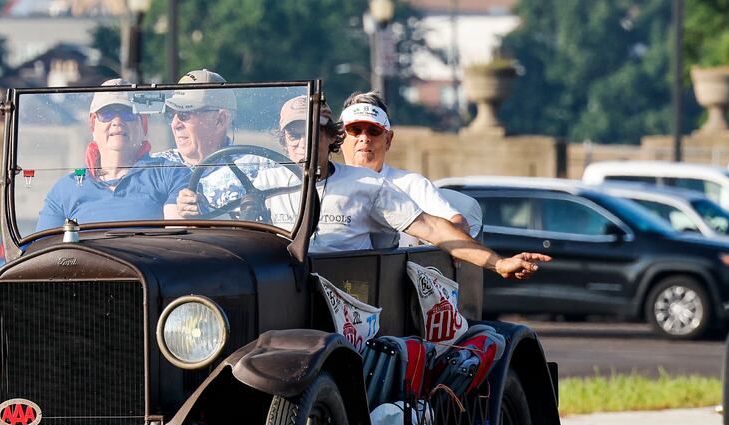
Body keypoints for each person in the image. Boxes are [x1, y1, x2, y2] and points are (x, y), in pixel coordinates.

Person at [263, 95, 549, 280]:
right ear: (284, 139)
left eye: (313, 132)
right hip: (283, 290)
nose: (304, 141)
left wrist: (498, 264)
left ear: (330, 137)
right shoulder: (263, 182)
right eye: (294, 133)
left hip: (346, 296)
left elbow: (434, 229)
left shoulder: (367, 185)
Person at [35, 80, 187, 231]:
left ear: (143, 125)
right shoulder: (65, 189)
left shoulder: (171, 174)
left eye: (128, 113)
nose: (117, 121)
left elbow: (178, 239)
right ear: (93, 125)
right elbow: (41, 249)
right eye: (106, 114)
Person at [337, 91, 482, 243]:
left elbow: (458, 223)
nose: (364, 138)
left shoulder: (412, 184)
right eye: (355, 130)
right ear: (340, 137)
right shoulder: (325, 184)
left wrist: (454, 246)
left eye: (374, 131)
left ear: (388, 140)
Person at [161, 69, 275, 219]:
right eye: (171, 114)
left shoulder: (260, 168)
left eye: (184, 114)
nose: (175, 124)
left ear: (220, 120)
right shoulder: (156, 166)